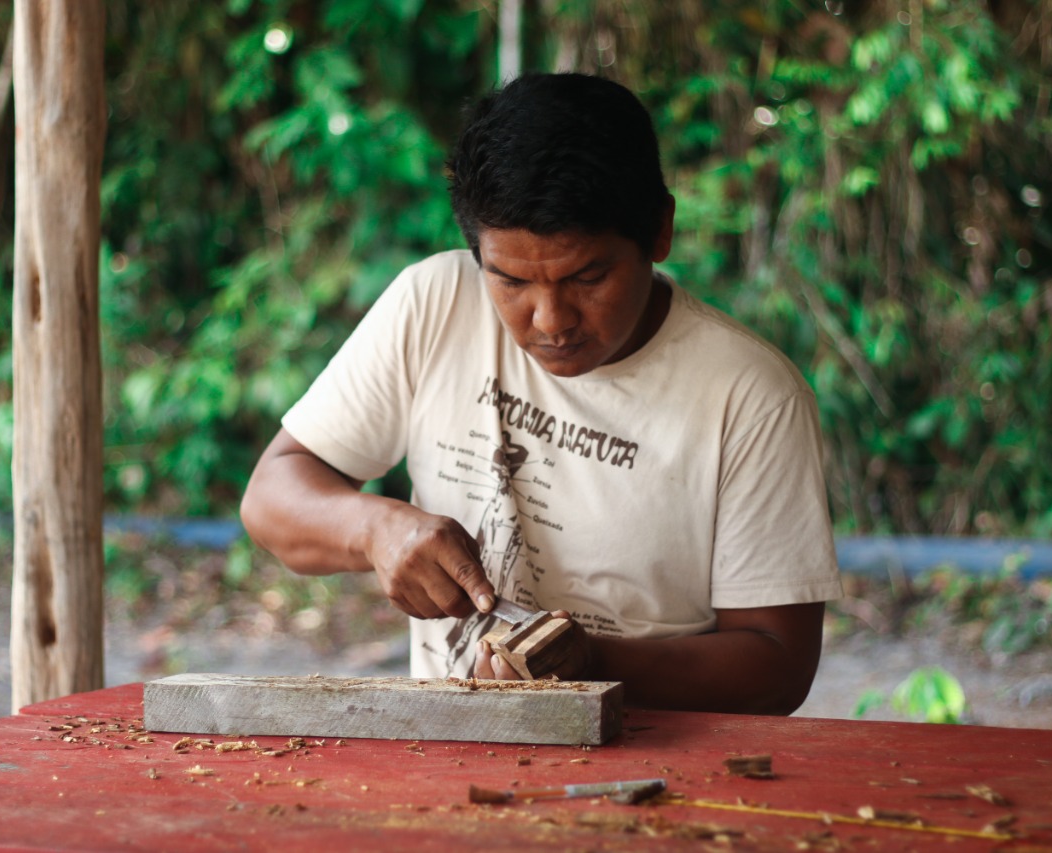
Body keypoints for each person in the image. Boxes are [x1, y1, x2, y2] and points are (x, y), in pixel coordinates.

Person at [240, 73, 841, 714]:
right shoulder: (434, 304)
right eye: (510, 281)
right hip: (450, 752)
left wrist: (592, 665)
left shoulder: (750, 397)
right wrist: (374, 528)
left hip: (661, 775)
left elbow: (778, 664)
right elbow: (273, 498)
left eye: (588, 276)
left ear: (660, 231)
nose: (551, 320)